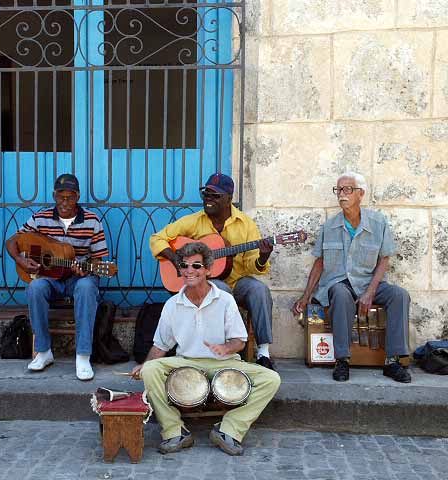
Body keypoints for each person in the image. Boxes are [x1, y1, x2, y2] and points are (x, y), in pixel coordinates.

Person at [131, 242, 280, 455]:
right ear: (180, 269)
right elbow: (160, 346)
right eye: (184, 265)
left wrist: (226, 348)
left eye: (196, 266)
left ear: (208, 270)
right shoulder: (172, 304)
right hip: (187, 362)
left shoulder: (226, 300)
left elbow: (240, 341)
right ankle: (175, 431)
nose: (190, 271)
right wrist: (144, 365)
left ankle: (229, 429)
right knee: (150, 369)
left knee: (272, 379)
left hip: (224, 363)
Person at [292, 172, 411, 383]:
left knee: (399, 295)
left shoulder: (378, 222)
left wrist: (371, 292)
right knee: (339, 292)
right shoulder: (329, 227)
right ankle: (342, 361)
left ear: (361, 194)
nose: (342, 194)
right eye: (339, 190)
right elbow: (319, 262)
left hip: (368, 282)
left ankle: (392, 361)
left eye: (348, 189)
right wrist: (305, 296)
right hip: (340, 283)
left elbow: (384, 259)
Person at [150, 173, 277, 370]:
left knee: (260, 290)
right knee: (218, 290)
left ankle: (263, 353)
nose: (208, 199)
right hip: (211, 283)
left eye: (215, 195)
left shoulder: (245, 224)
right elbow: (157, 238)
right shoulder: (193, 221)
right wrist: (176, 259)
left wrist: (262, 257)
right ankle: (221, 352)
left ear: (229, 198)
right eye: (206, 194)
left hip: (239, 281)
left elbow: (252, 264)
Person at [5, 174, 109, 381]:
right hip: (51, 279)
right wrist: (20, 260)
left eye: (69, 198)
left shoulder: (92, 220)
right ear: (54, 195)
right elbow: (12, 241)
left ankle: (82, 355)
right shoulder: (40, 218)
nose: (64, 203)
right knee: (35, 287)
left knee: (87, 287)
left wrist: (87, 269)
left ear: (77, 196)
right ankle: (43, 352)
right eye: (60, 197)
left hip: (78, 279)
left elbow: (100, 260)